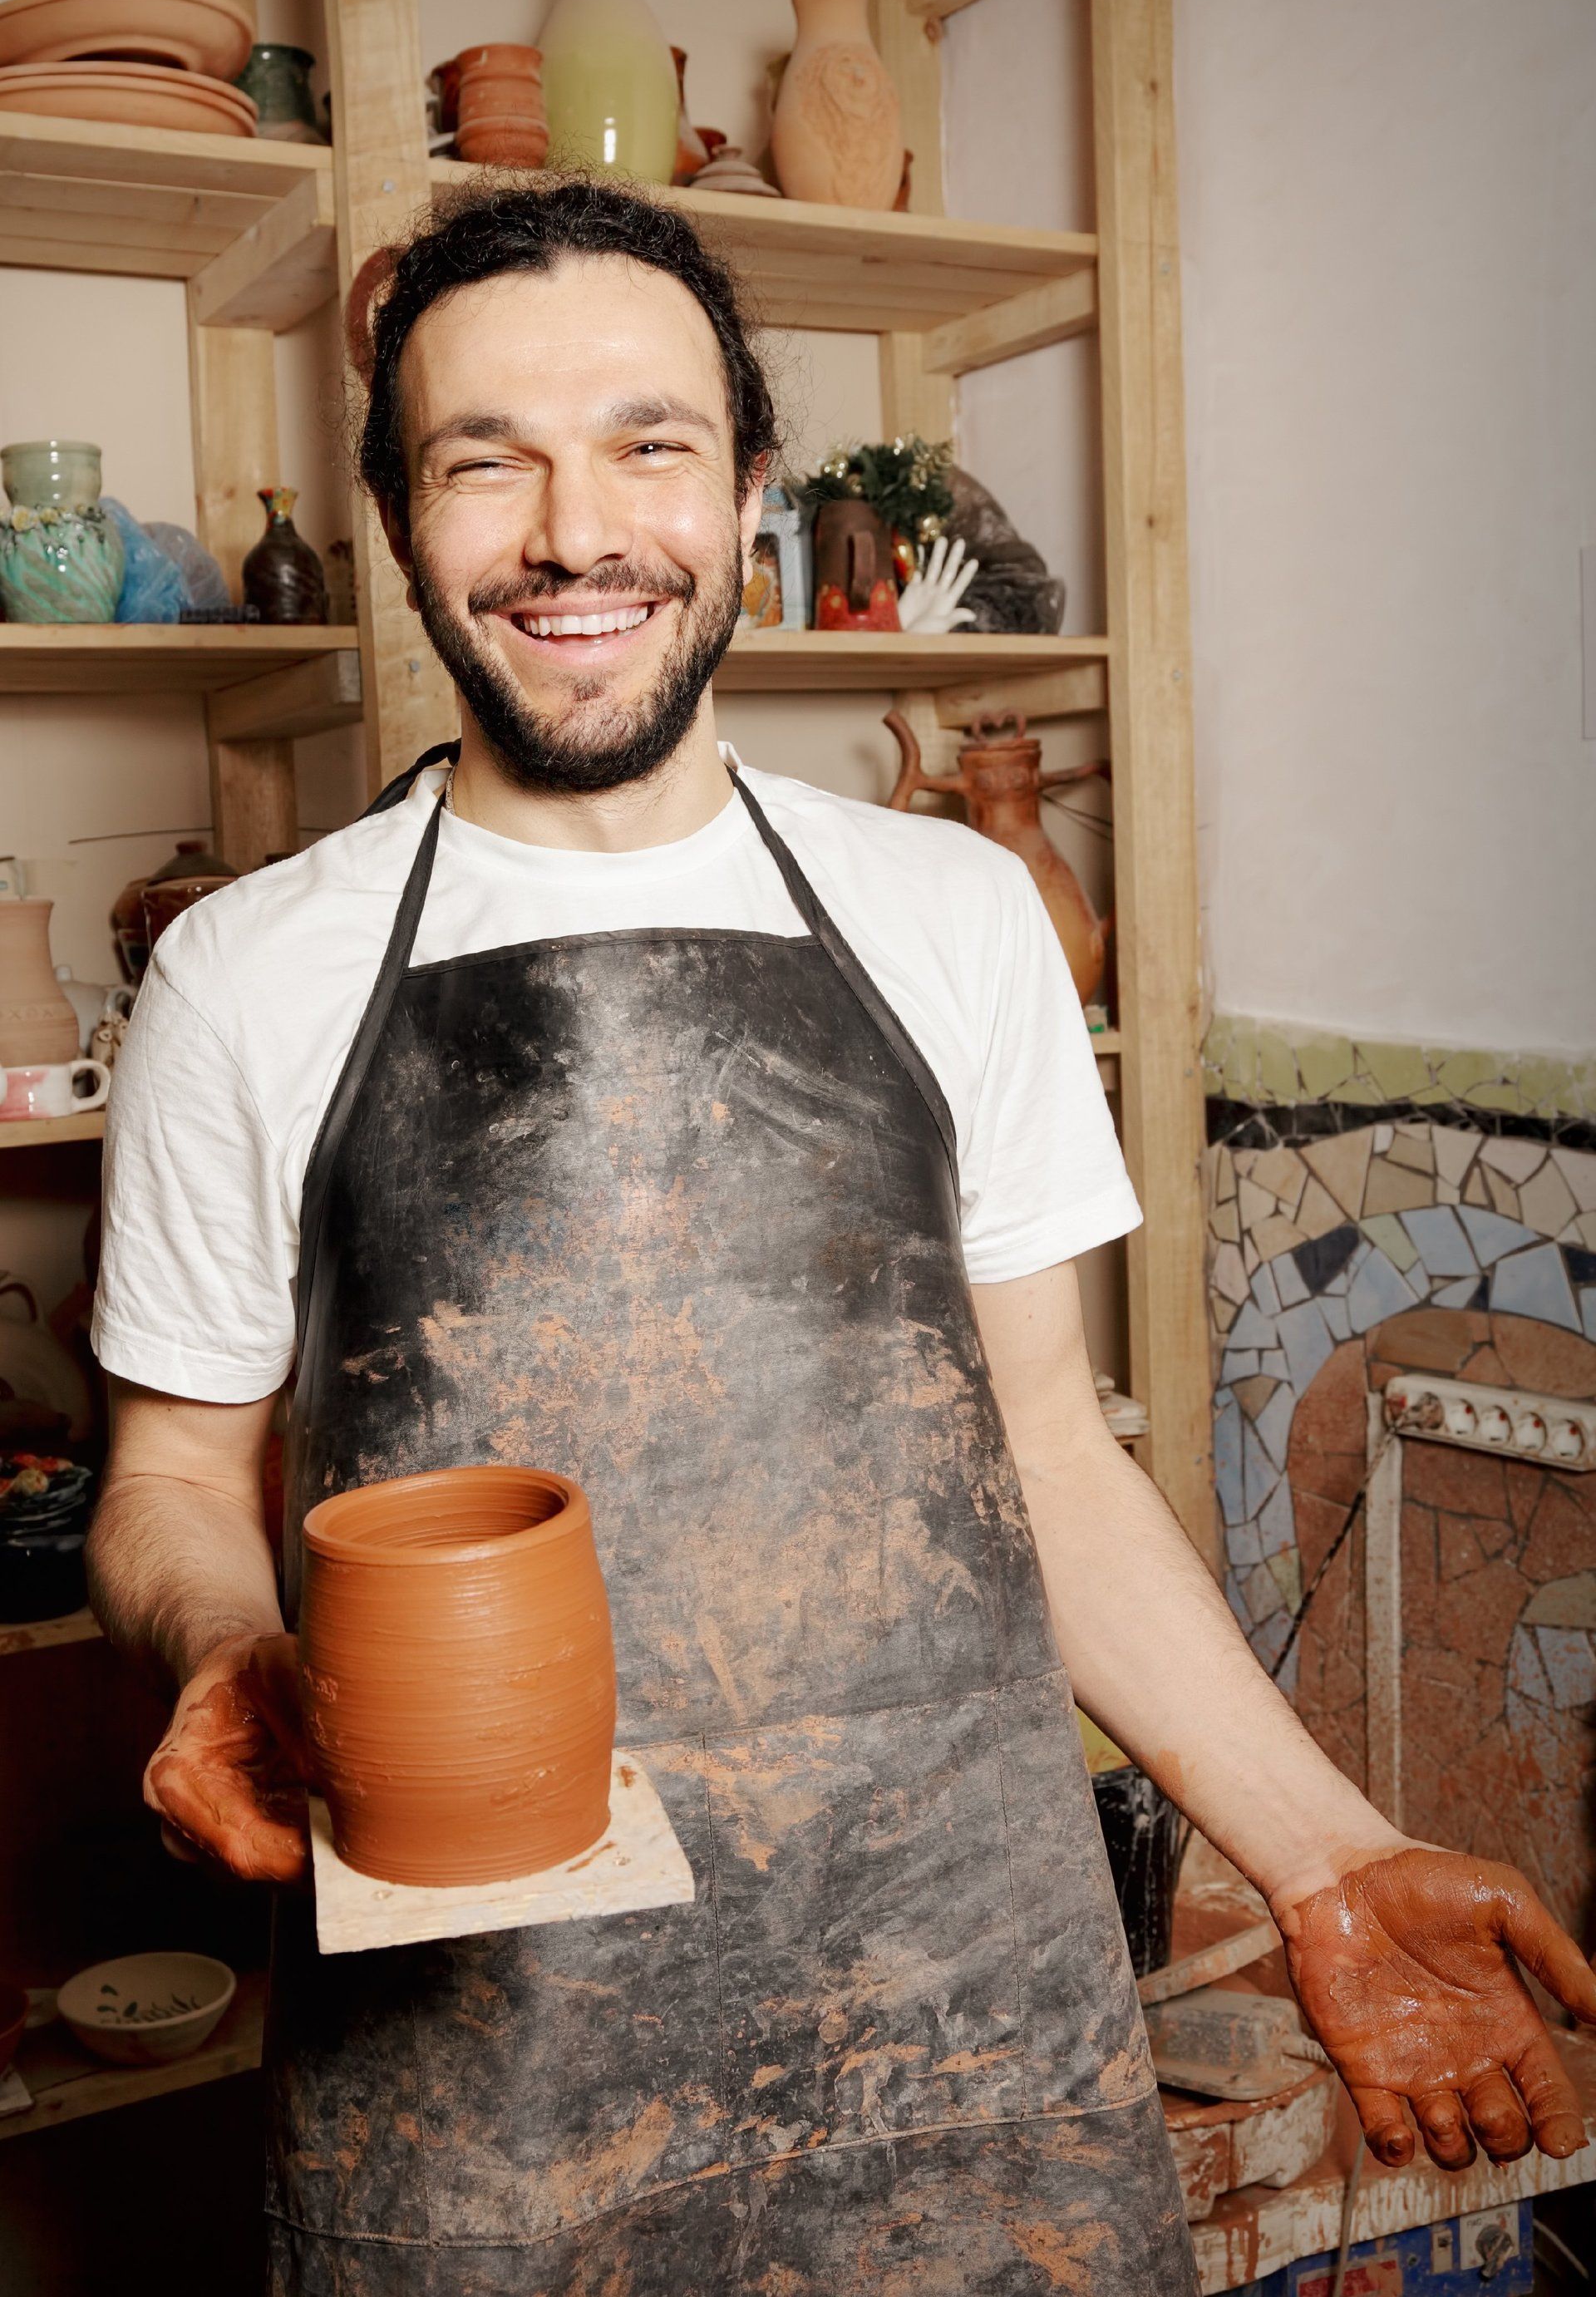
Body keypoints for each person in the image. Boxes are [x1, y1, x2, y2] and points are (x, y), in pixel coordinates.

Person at [87, 182, 1596, 2297]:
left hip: (971, 2033)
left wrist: (1331, 1858)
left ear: (748, 492)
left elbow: (1053, 1457)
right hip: (486, 2079)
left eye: (648, 445)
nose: (573, 530)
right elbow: (168, 1478)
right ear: (398, 524)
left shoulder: (950, 915)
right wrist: (226, 1649)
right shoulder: (247, 975)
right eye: (483, 460)